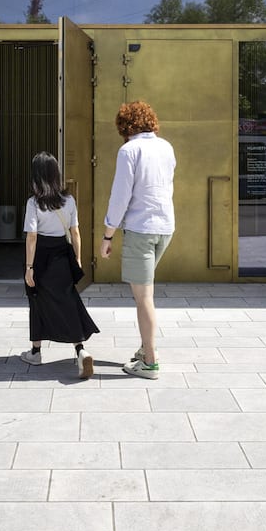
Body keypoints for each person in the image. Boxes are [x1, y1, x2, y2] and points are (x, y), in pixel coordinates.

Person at [100, 101, 175, 379]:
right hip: (165, 227)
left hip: (141, 229)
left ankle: (150, 362)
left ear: (124, 125)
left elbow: (120, 196)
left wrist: (108, 233)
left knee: (143, 298)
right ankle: (146, 350)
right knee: (146, 295)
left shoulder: (129, 150)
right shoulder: (166, 147)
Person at [21, 151, 99, 378]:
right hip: (63, 256)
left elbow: (32, 236)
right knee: (67, 302)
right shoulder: (69, 200)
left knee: (36, 300)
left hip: (40, 258)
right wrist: (77, 259)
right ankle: (80, 350)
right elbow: (75, 232)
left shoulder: (34, 202)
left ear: (36, 176)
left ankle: (36, 352)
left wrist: (29, 268)